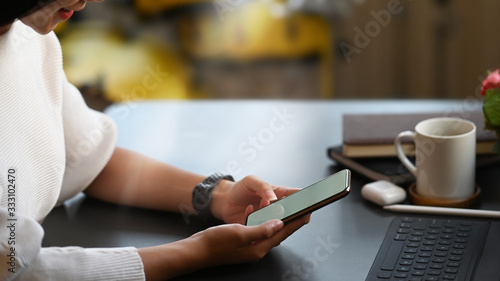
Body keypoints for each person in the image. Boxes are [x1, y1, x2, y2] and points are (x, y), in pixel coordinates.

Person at [0, 0, 310, 280]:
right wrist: (198, 253)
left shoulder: (29, 38)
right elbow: (17, 270)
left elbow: (89, 157)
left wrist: (217, 195)